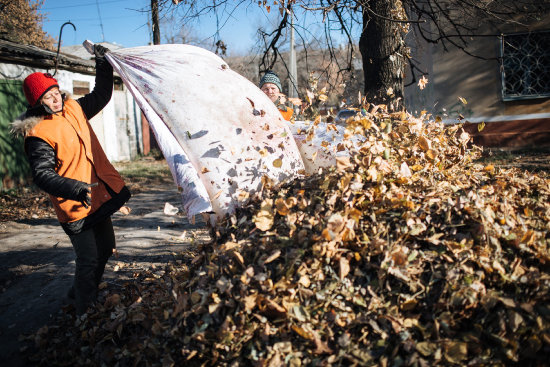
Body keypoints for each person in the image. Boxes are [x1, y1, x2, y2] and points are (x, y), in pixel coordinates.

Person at [11, 44, 131, 314]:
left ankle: (79, 294)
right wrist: (73, 188)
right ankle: (84, 313)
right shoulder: (38, 133)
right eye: (48, 97)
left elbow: (101, 94)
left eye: (56, 93)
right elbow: (42, 174)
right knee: (88, 259)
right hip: (74, 204)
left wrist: (102, 63)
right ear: (37, 102)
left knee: (107, 249)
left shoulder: (74, 109)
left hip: (95, 195)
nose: (55, 99)